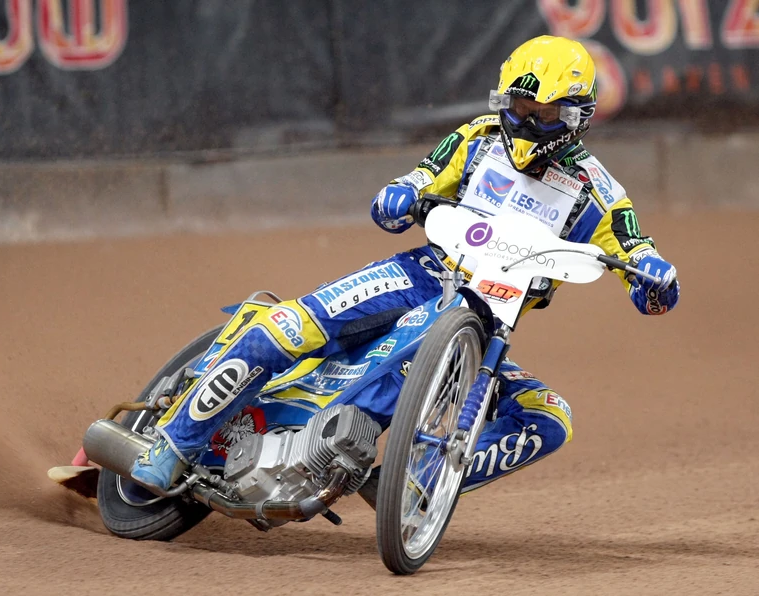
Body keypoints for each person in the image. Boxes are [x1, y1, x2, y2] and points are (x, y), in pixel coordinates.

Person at [131, 35, 679, 495]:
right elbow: (416, 182)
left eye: (544, 114)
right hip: (422, 274)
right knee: (290, 326)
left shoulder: (598, 193)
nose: (526, 121)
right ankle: (173, 442)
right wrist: (400, 194)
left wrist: (656, 278)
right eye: (518, 107)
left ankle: (414, 487)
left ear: (576, 116)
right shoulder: (477, 139)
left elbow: (640, 259)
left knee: (549, 418)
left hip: (485, 324)